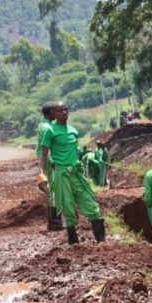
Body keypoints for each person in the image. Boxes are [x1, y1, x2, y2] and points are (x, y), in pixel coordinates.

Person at [38, 103, 106, 244]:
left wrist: (83, 153)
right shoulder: (50, 131)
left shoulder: (73, 131)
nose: (64, 112)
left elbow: (75, 150)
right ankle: (74, 244)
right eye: (60, 110)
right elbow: (44, 155)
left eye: (66, 110)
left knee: (92, 205)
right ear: (53, 114)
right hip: (62, 174)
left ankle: (103, 243)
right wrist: (41, 176)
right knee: (68, 208)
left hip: (77, 173)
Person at [35, 102, 64, 230]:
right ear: (50, 113)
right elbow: (46, 148)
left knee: (53, 188)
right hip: (49, 158)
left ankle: (54, 221)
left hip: (45, 157)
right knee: (55, 189)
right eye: (55, 111)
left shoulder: (42, 124)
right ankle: (55, 222)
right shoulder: (48, 128)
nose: (57, 113)